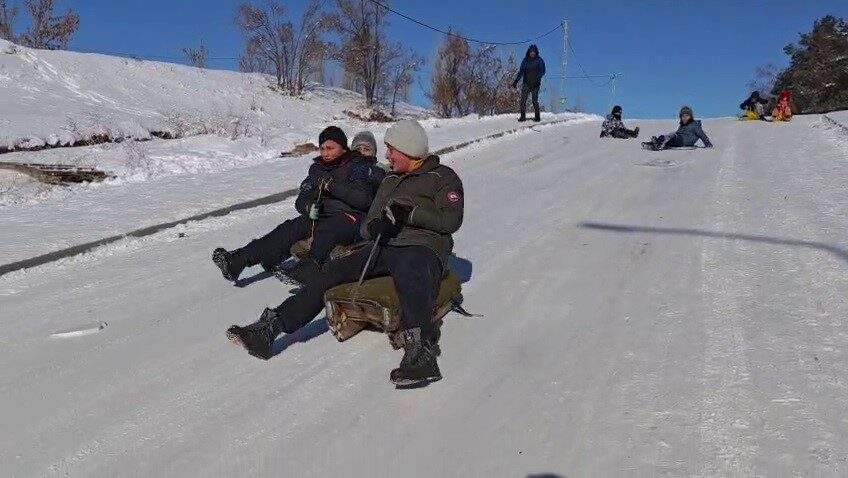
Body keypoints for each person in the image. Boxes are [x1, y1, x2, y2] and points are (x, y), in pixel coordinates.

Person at [226, 119, 464, 387]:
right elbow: (367, 225)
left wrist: (409, 214)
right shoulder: (390, 181)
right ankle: (272, 327)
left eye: (391, 150)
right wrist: (378, 225)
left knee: (413, 276)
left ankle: (420, 353)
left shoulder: (442, 178)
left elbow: (450, 221)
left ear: (408, 148)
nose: (386, 156)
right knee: (333, 272)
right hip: (385, 246)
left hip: (423, 248)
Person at [212, 126, 385, 283]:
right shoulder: (325, 169)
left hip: (351, 220)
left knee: (331, 230)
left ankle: (307, 270)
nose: (362, 152)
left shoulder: (371, 170)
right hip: (325, 215)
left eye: (367, 149)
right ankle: (238, 260)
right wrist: (308, 207)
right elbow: (302, 198)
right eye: (358, 148)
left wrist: (330, 186)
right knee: (289, 228)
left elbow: (364, 199)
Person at [642, 106, 713, 150]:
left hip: (684, 142)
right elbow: (679, 133)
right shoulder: (682, 125)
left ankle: (658, 144)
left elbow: (702, 135)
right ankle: (653, 144)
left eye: (687, 116)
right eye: (683, 116)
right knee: (669, 137)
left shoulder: (695, 125)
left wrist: (708, 144)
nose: (685, 118)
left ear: (691, 116)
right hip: (679, 141)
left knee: (672, 134)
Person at [512, 44, 546, 122]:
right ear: (528, 52)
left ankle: (537, 117)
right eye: (531, 52)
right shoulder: (525, 61)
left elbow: (542, 70)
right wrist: (516, 81)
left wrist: (538, 79)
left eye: (533, 52)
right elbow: (521, 71)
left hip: (536, 84)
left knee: (534, 101)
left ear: (536, 52)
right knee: (523, 100)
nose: (532, 53)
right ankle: (522, 117)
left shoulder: (539, 60)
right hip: (526, 83)